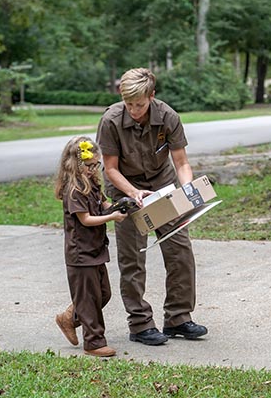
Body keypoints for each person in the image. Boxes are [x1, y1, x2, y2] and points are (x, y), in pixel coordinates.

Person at [96, 68, 207, 346]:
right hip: (127, 188)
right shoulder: (111, 120)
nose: (134, 110)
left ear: (152, 96)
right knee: (133, 259)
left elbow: (182, 163)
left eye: (140, 104)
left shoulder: (168, 116)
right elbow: (110, 168)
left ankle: (178, 319)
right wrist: (134, 193)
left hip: (162, 186)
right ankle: (140, 324)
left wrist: (188, 189)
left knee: (180, 250)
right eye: (129, 103)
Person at [54, 136, 128, 357]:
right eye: (89, 165)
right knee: (89, 300)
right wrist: (112, 217)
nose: (94, 169)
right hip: (80, 254)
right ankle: (94, 342)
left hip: (96, 250)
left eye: (96, 164)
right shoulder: (74, 190)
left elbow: (104, 204)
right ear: (74, 165)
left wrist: (122, 205)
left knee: (103, 294)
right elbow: (85, 219)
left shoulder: (93, 183)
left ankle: (69, 317)